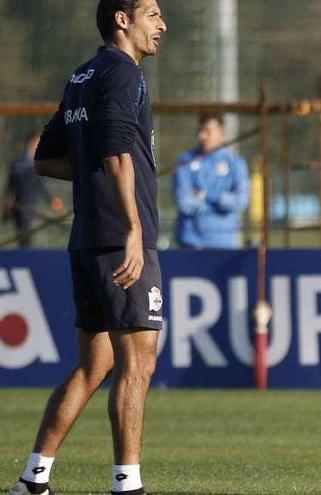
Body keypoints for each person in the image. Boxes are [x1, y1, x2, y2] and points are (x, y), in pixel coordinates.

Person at [7, 1, 166, 494]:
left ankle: (33, 479)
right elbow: (117, 150)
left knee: (95, 364)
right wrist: (134, 230)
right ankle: (128, 484)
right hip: (120, 239)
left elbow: (46, 160)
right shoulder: (122, 73)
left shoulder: (82, 75)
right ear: (123, 19)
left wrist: (93, 175)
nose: (162, 24)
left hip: (87, 237)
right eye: (153, 13)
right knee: (137, 363)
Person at [172, 113, 250, 249]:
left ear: (221, 132)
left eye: (207, 131)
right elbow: (184, 201)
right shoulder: (185, 160)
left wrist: (205, 195)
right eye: (199, 131)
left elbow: (241, 201)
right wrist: (221, 200)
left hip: (223, 245)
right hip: (190, 243)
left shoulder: (235, 163)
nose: (202, 136)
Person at [2, 133, 63, 247]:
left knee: (24, 239)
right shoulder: (29, 165)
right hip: (24, 209)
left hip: (24, 208)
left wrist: (51, 200)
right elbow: (10, 188)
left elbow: (9, 188)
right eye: (38, 142)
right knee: (25, 240)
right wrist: (51, 201)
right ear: (31, 143)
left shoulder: (18, 164)